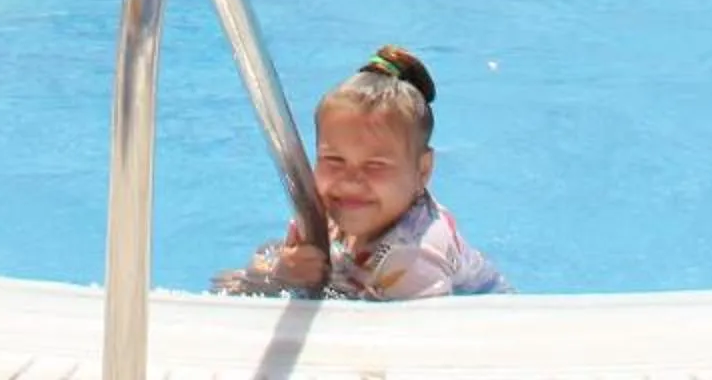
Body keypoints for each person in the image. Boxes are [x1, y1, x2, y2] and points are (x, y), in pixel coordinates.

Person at [215, 46, 508, 300]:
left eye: (375, 165)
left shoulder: (414, 257)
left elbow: (416, 350)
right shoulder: (335, 209)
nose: (350, 180)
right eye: (334, 160)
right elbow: (228, 285)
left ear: (423, 171)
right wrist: (281, 272)